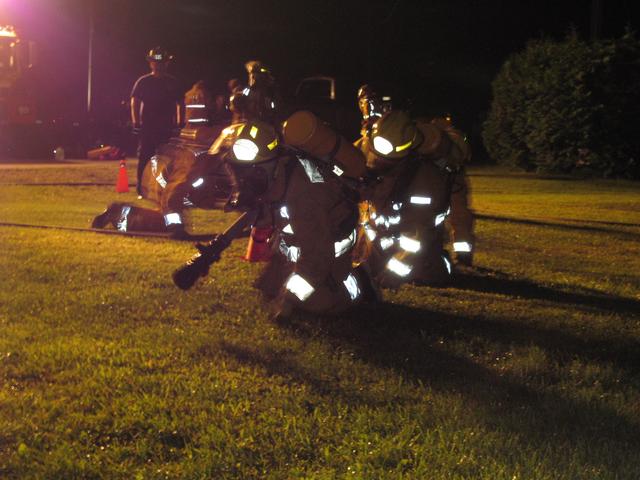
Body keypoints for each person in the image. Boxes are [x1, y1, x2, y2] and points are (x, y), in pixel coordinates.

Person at [183, 113, 375, 317]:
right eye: (238, 172)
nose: (242, 180)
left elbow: (317, 254)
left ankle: (356, 282)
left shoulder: (303, 193)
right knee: (268, 288)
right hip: (296, 243)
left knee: (314, 303)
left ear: (266, 166)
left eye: (249, 173)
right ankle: (295, 282)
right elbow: (268, 213)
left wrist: (288, 300)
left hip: (328, 247)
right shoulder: (276, 173)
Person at [355, 110, 475, 288]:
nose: (377, 164)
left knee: (427, 273)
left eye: (386, 162)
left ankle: (440, 262)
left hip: (419, 234)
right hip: (389, 230)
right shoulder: (366, 147)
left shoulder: (426, 177)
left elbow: (417, 238)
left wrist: (393, 274)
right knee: (370, 263)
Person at [130, 47, 182, 197]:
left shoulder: (173, 82)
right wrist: (136, 123)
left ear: (167, 64)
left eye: (162, 62)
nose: (159, 65)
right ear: (150, 63)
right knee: (145, 157)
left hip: (167, 128)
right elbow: (135, 101)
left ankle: (166, 188)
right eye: (156, 62)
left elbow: (181, 104)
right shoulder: (143, 82)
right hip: (148, 127)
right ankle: (141, 189)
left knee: (168, 160)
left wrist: (180, 124)